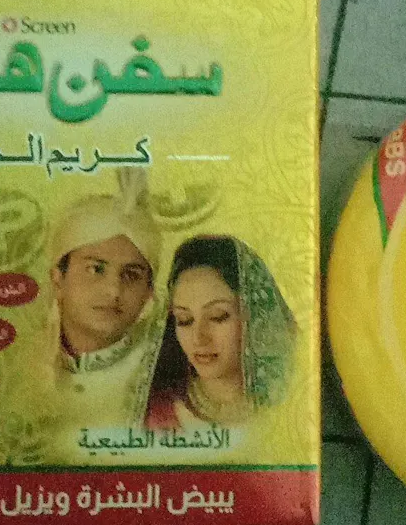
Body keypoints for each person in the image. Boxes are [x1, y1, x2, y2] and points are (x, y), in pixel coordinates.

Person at [44, 172, 163, 434]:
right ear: (58, 279)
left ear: (149, 292)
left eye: (132, 275)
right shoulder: (15, 364)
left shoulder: (166, 375)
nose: (113, 291)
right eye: (95, 269)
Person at [146, 235, 296, 432]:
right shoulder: (156, 414)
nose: (198, 338)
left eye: (218, 316)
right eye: (184, 320)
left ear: (255, 316)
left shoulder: (291, 402)